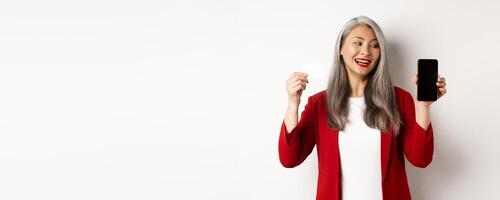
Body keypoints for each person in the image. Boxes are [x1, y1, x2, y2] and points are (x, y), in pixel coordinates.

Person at [278, 15, 447, 200]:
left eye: (374, 45)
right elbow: (289, 158)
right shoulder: (319, 103)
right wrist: (293, 103)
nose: (366, 51)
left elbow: (420, 159)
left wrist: (423, 107)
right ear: (341, 48)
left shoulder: (399, 99)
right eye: (358, 43)